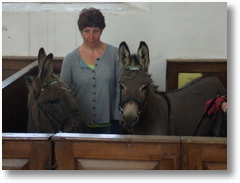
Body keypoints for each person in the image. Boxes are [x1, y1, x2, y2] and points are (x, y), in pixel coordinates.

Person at [60, 8, 123, 134]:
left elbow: (120, 87)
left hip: (110, 124)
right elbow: (63, 93)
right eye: (86, 31)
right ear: (81, 31)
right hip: (78, 126)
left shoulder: (115, 54)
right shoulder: (70, 58)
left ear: (102, 31)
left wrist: (118, 115)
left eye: (96, 31)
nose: (91, 36)